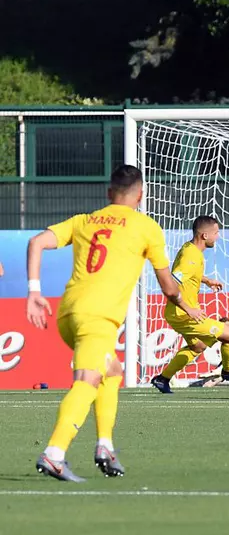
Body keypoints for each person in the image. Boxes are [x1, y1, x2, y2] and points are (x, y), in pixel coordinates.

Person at [27, 165, 202, 482]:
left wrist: (34, 292)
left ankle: (105, 446)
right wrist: (186, 305)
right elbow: (168, 287)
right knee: (87, 380)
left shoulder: (84, 221)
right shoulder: (147, 227)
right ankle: (54, 453)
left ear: (109, 193)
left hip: (68, 313)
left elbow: (36, 242)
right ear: (141, 195)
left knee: (112, 371)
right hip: (98, 318)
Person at [150, 216, 229, 393]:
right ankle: (228, 371)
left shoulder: (190, 249)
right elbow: (171, 283)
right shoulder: (191, 256)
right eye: (216, 233)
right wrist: (188, 309)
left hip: (178, 313)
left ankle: (162, 379)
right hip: (184, 315)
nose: (218, 236)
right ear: (205, 235)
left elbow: (187, 273)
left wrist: (206, 280)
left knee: (198, 346)